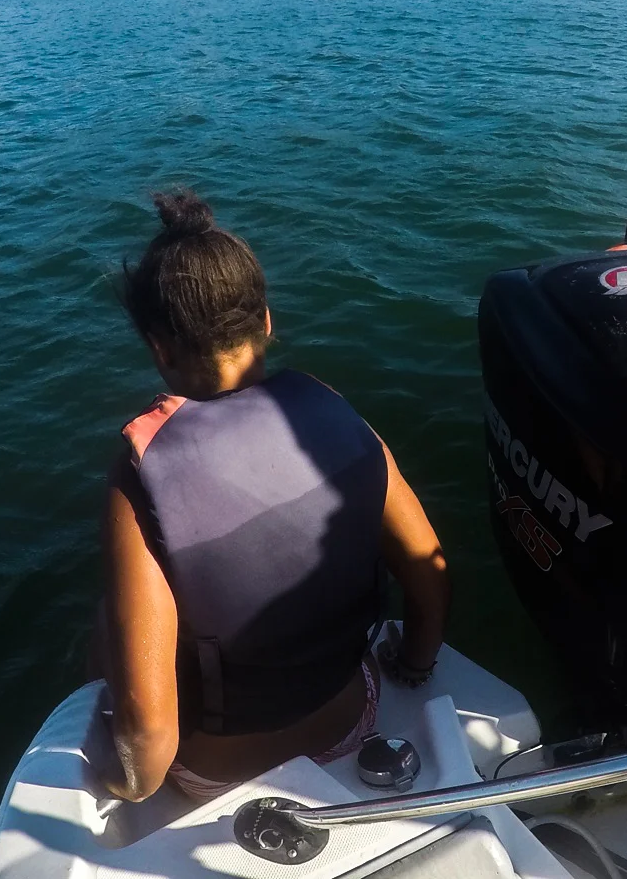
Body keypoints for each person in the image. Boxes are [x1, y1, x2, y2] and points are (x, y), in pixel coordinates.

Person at [89, 190, 451, 803]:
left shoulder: (141, 474)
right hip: (352, 722)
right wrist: (414, 666)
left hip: (218, 772)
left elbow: (149, 734)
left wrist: (122, 787)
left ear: (159, 347)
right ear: (265, 321)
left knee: (106, 623)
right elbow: (430, 575)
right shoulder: (334, 413)